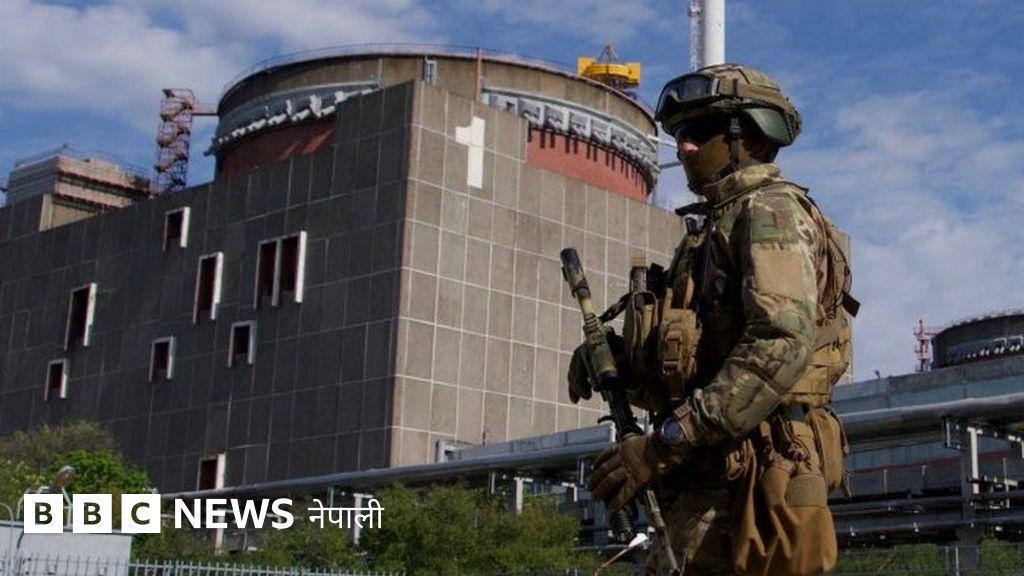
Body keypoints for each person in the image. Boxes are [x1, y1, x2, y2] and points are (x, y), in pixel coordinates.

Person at [568, 64, 857, 575]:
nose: (684, 147)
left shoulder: (769, 212)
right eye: (680, 133)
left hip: (755, 482)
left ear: (751, 137)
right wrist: (621, 365)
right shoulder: (712, 231)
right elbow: (698, 371)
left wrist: (664, 444)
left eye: (701, 131)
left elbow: (778, 345)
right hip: (711, 479)